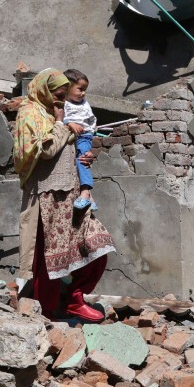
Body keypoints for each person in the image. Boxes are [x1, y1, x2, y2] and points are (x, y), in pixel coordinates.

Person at [14, 69, 117, 322]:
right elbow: (45, 150)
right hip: (45, 196)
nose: (60, 100)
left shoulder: (61, 112)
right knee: (48, 262)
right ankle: (47, 316)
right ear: (44, 91)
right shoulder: (30, 113)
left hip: (71, 195)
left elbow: (70, 146)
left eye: (62, 95)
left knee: (97, 246)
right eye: (57, 95)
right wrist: (62, 125)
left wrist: (84, 158)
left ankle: (75, 298)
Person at [62, 68, 98, 212]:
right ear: (68, 87)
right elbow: (60, 117)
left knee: (82, 160)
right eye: (80, 89)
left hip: (83, 136)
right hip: (70, 137)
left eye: (85, 90)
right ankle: (91, 199)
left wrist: (90, 130)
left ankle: (85, 192)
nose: (83, 93)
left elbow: (91, 119)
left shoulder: (84, 103)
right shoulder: (64, 102)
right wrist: (70, 124)